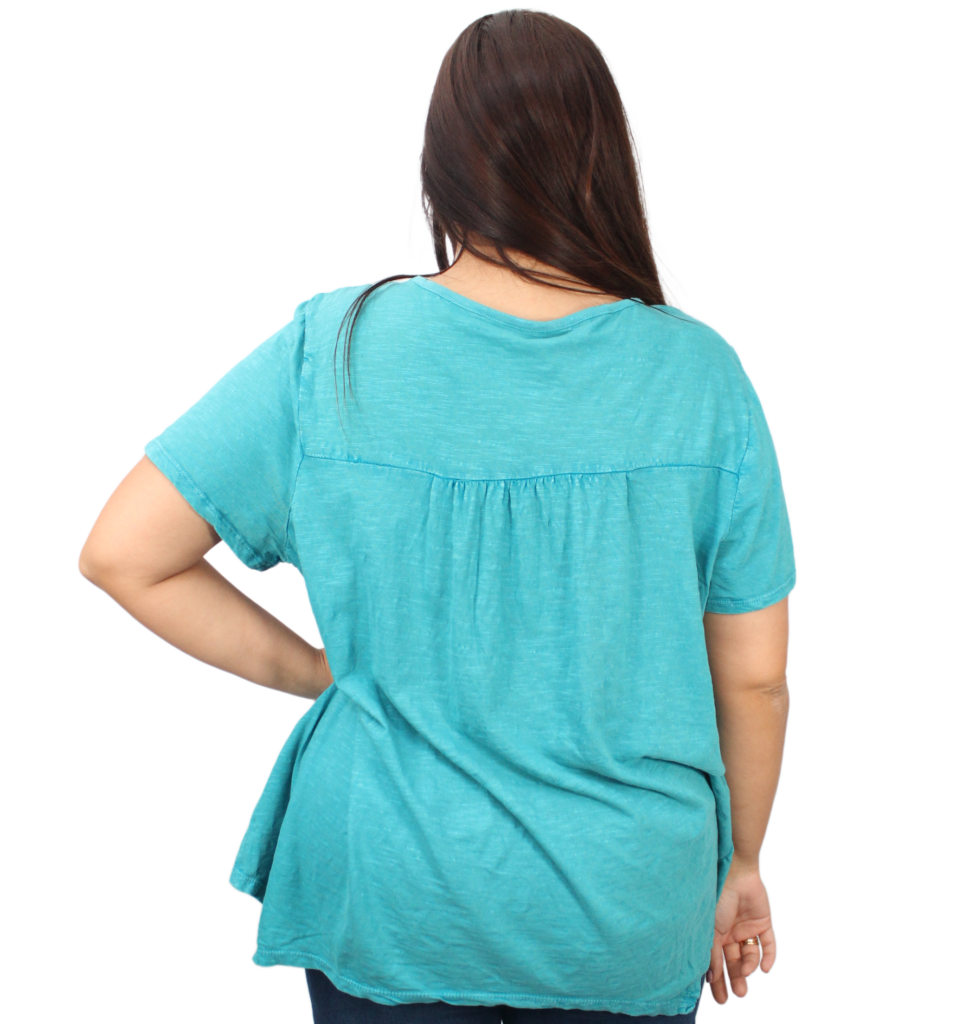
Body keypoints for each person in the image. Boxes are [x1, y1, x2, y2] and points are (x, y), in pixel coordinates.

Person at [76, 6, 795, 1022]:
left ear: (440, 164)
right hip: (625, 904)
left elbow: (122, 552)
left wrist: (320, 675)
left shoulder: (331, 345)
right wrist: (742, 864)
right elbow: (755, 677)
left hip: (387, 891)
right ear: (608, 160)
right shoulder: (701, 374)